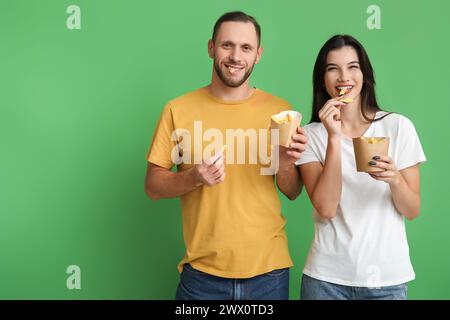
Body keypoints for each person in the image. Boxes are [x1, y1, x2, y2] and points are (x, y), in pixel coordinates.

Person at [144, 11, 307, 300]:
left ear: (258, 54)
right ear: (211, 48)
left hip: (269, 273)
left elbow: (293, 191)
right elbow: (153, 186)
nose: (235, 56)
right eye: (226, 45)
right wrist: (193, 177)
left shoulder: (281, 112)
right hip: (202, 276)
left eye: (246, 48)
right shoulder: (178, 110)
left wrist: (284, 165)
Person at [296, 35, 426, 300]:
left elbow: (412, 210)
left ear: (365, 75)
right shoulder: (310, 135)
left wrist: (395, 179)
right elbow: (326, 207)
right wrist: (334, 137)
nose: (344, 77)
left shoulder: (398, 126)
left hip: (387, 279)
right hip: (325, 280)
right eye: (333, 69)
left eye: (353, 67)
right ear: (323, 79)